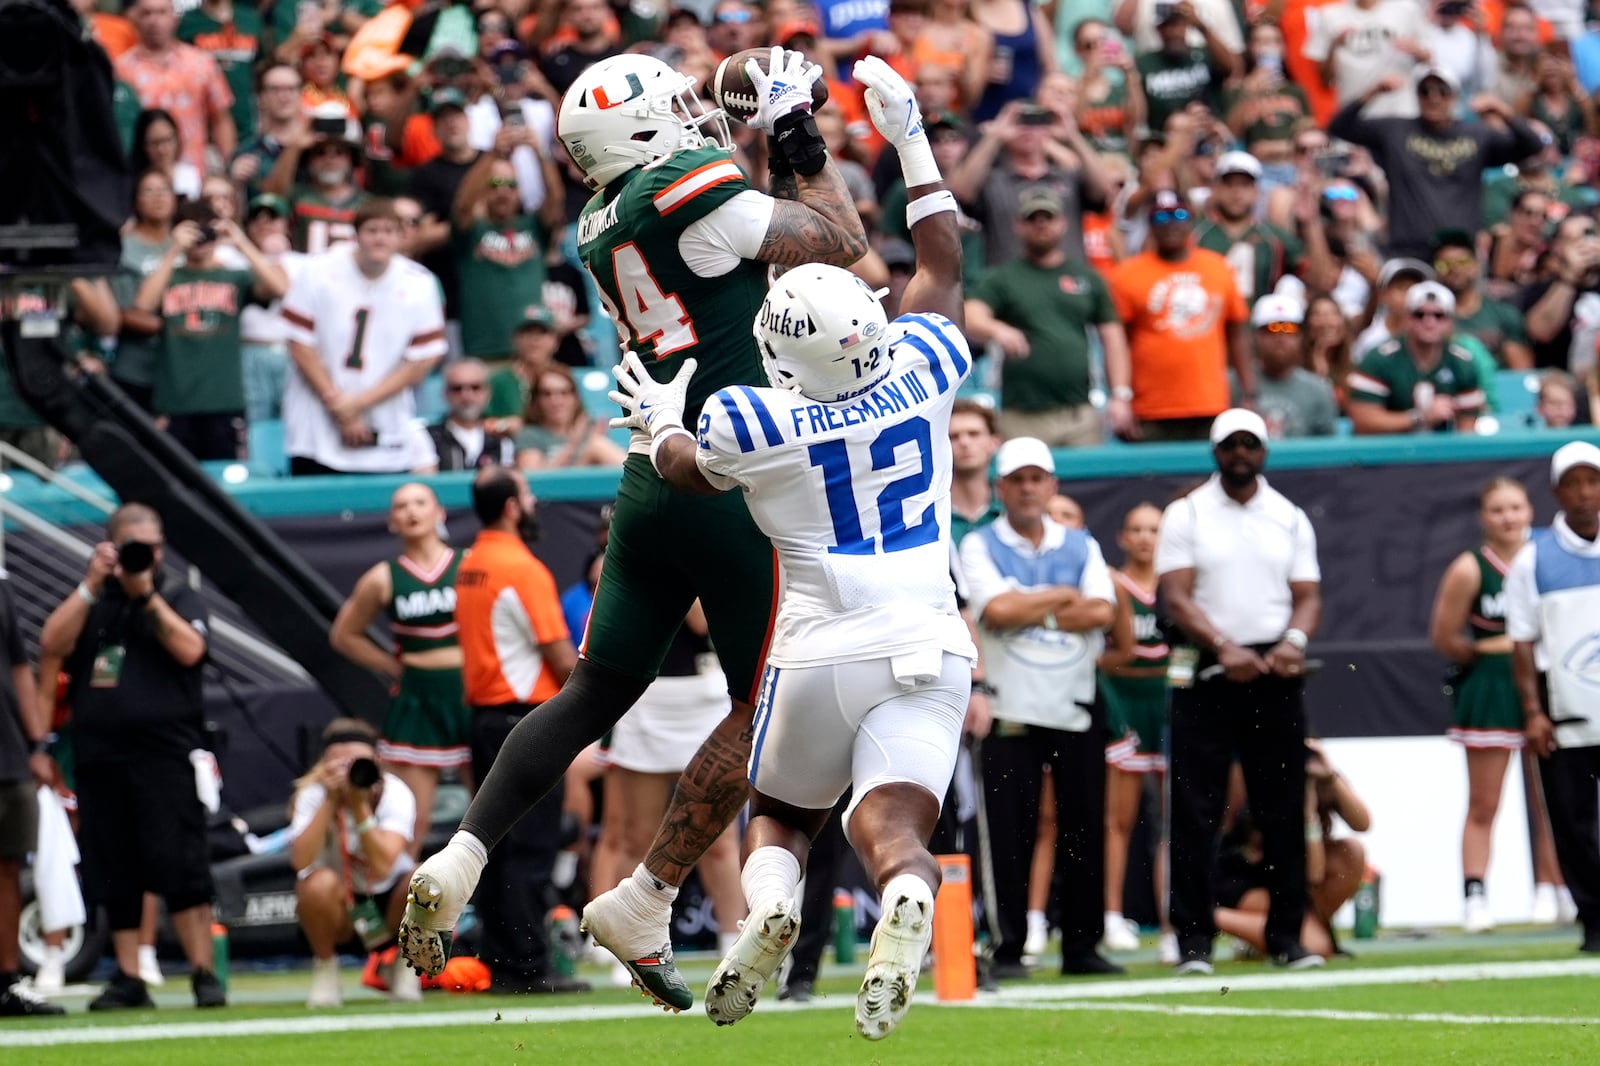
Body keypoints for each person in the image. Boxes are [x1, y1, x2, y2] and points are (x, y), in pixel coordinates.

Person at [399, 47, 872, 1011]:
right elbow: (844, 239)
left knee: (591, 694)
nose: (701, 117)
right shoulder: (688, 192)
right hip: (737, 475)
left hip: (650, 479)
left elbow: (731, 245)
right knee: (771, 712)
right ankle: (648, 896)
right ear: (649, 131)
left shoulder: (598, 219)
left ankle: (461, 852)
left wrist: (770, 139)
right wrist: (795, 133)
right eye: (682, 107)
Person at [604, 55, 974, 1038]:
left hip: (816, 650)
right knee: (893, 827)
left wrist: (655, 420)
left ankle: (772, 904)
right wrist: (907, 139)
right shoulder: (927, 363)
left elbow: (686, 464)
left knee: (779, 816)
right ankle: (904, 890)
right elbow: (940, 266)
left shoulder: (758, 420)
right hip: (927, 640)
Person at [37, 503, 226, 1009]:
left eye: (155, 546)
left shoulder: (179, 594)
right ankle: (128, 978)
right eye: (135, 546)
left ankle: (204, 972)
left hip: (165, 754)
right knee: (115, 869)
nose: (147, 555)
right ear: (111, 547)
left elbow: (191, 651)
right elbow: (51, 644)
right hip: (101, 757)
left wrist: (147, 597)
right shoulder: (96, 598)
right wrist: (88, 585)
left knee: (182, 866)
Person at [1157, 408, 1325, 974]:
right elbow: (1176, 597)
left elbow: (1307, 594)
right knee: (1195, 809)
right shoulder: (1187, 513)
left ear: (1264, 451)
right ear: (1215, 451)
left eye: (1250, 444)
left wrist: (1294, 641)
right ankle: (1193, 941)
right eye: (1231, 445)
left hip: (1274, 673)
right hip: (1207, 672)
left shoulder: (1289, 516)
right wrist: (1224, 645)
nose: (1241, 453)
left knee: (1282, 809)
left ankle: (1287, 937)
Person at [960, 438, 1121, 979]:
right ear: (1001, 488)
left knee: (1084, 828)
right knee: (1007, 831)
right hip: (1009, 705)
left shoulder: (1081, 542)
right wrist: (1060, 596)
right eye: (1018, 480)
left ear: (1052, 486)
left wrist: (1032, 608)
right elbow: (997, 610)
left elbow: (1101, 608)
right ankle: (1007, 949)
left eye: (1038, 479)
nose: (1028, 489)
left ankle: (1083, 947)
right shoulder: (979, 544)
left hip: (1073, 702)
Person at [450, 467, 586, 994]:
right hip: (526, 718)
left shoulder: (470, 566)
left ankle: (503, 959)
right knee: (529, 847)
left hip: (484, 719)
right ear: (511, 507)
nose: (533, 504)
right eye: (527, 496)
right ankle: (529, 964)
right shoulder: (521, 567)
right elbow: (557, 653)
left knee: (493, 845)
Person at [1430, 477, 1571, 932]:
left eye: (1516, 507)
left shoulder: (1549, 557)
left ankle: (1554, 889)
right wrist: (1489, 655)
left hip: (1548, 683)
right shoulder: (1471, 568)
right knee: (1484, 802)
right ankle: (1476, 897)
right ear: (1483, 517)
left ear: (1531, 510)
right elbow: (1445, 635)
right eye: (1497, 510)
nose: (1508, 517)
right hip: (1492, 687)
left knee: (1553, 798)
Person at [330, 484, 468, 859]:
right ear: (392, 521)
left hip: (470, 695)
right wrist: (391, 665)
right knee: (409, 821)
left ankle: (491, 909)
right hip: (416, 701)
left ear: (439, 512)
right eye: (401, 506)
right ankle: (408, 911)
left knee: (487, 820)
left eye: (420, 502)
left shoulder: (468, 564)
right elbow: (344, 635)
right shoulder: (384, 577)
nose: (411, 511)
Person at [1506, 441, 1600, 954]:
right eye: (1575, 483)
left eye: (1593, 481)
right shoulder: (1533, 558)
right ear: (1557, 491)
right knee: (1571, 820)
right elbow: (1523, 644)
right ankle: (1594, 919)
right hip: (1563, 710)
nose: (1586, 493)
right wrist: (1533, 712)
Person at [281, 199, 448, 475]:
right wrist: (338, 407)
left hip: (384, 420)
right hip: (316, 420)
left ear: (401, 235)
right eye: (372, 230)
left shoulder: (419, 283)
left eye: (388, 230)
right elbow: (299, 343)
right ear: (356, 234)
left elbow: (422, 360)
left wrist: (357, 405)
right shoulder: (318, 270)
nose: (379, 238)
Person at [963, 186, 1129, 446]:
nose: (1041, 224)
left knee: (1087, 484)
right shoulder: (1004, 278)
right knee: (1021, 483)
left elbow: (1113, 336)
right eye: (1032, 219)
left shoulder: (1087, 277)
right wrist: (998, 330)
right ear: (1019, 225)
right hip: (1022, 415)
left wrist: (1120, 395)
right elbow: (971, 315)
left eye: (1048, 217)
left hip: (1079, 413)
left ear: (1063, 223)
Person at [290, 718, 420, 1008]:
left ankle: (404, 964)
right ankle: (325, 968)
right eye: (338, 763)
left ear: (376, 761)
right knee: (314, 884)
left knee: (423, 880)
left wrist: (360, 807)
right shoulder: (312, 794)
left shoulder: (394, 792)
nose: (347, 771)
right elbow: (300, 861)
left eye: (355, 763)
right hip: (338, 905)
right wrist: (329, 801)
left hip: (387, 900)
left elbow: (384, 865)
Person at [1108, 191, 1256, 442]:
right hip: (1150, 408)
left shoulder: (1218, 267)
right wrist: (1121, 396)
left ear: (1191, 219)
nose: (1171, 224)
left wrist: (1249, 393)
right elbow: (1117, 343)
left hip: (1210, 404)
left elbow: (1238, 334)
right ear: (1150, 224)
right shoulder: (1126, 275)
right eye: (1161, 217)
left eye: (1179, 214)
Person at [1213, 740, 1372, 959]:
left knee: (1350, 851)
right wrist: (1308, 814)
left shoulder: (1319, 780)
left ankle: (1268, 937)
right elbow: (1313, 875)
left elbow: (1362, 824)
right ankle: (1208, 917)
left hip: (1291, 883)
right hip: (1246, 885)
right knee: (1316, 946)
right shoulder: (1269, 788)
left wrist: (1329, 775)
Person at [1098, 503, 1170, 958]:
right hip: (1123, 701)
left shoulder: (1178, 584)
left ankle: (1173, 924)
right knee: (1118, 820)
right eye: (1137, 529)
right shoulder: (1110, 581)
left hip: (1167, 701)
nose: (1146, 537)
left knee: (1171, 822)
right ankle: (1111, 915)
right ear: (1123, 537)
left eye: (1154, 530)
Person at [0, 571, 65, 1017]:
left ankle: (5, 982)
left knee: (7, 867)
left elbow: (20, 667)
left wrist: (37, 743)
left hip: (6, 751)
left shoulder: (0, 588)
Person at [1348, 281, 1486, 435]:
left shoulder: (1462, 363)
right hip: (1387, 453)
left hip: (1442, 455)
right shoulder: (1379, 359)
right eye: (1419, 314)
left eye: (1439, 315)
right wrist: (1420, 417)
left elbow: (1467, 430)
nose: (1429, 322)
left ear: (1450, 321)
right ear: (1407, 318)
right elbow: (1363, 421)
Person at [1242, 294, 1339, 439]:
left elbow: (1328, 452)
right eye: (1271, 329)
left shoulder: (1319, 390)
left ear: (1301, 336)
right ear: (1256, 336)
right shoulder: (1232, 385)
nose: (1280, 336)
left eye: (1289, 329)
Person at [426, 360, 518, 471]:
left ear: (487, 392)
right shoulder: (427, 438)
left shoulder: (501, 442)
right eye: (457, 388)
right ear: (445, 393)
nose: (467, 396)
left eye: (475, 387)